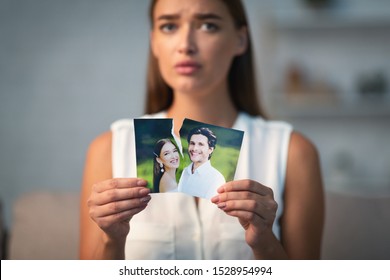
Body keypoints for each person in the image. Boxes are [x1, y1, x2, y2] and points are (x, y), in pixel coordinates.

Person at [80, 0, 324, 260]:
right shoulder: (109, 148)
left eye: (208, 25)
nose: (185, 45)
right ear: (154, 42)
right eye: (169, 26)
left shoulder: (293, 151)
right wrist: (111, 240)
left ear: (240, 40)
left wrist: (264, 242)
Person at [178, 127, 226, 199]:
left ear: (210, 149)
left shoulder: (217, 179)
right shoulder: (185, 171)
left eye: (200, 144)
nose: (194, 149)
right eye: (192, 143)